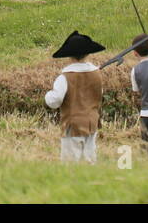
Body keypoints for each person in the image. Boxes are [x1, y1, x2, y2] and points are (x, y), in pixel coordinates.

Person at [45, 31, 105, 163]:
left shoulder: (64, 77)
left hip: (72, 126)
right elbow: (99, 94)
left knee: (70, 162)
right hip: (92, 122)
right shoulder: (97, 75)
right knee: (89, 159)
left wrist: (48, 96)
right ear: (88, 53)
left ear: (69, 56)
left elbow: (55, 101)